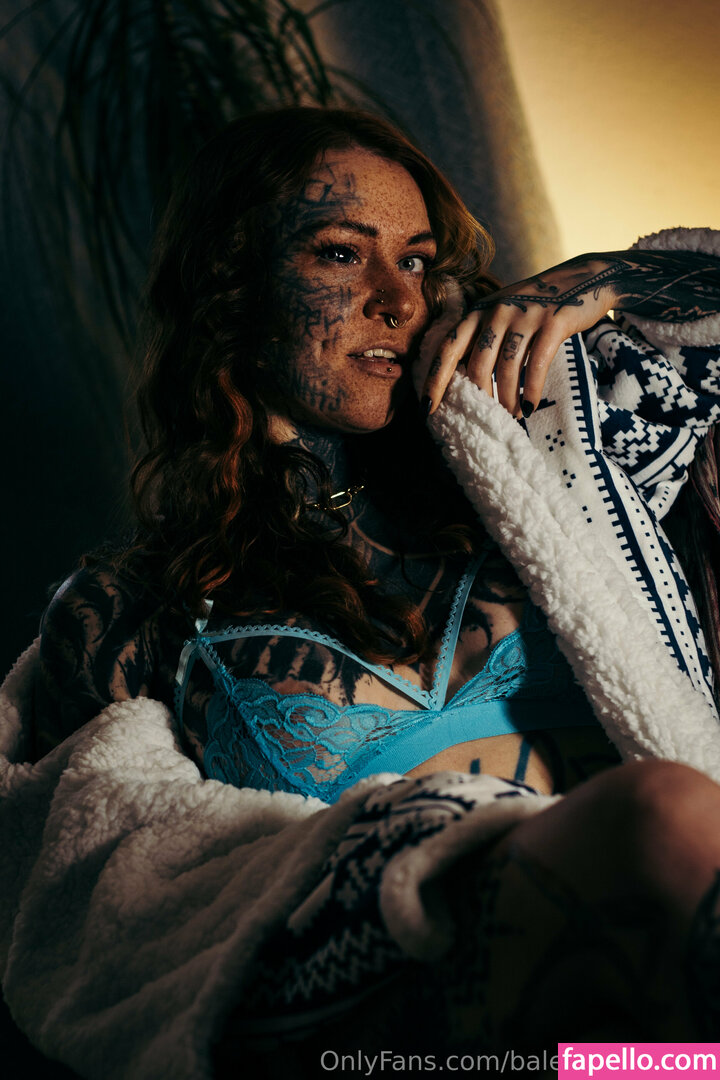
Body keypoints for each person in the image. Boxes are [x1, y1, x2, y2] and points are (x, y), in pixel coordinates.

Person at [4, 106, 720, 1076]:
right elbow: (85, 905)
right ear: (234, 284)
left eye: (417, 261)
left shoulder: (550, 481)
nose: (397, 299)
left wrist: (598, 279)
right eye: (341, 254)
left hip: (671, 1031)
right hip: (433, 1037)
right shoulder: (134, 610)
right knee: (659, 815)